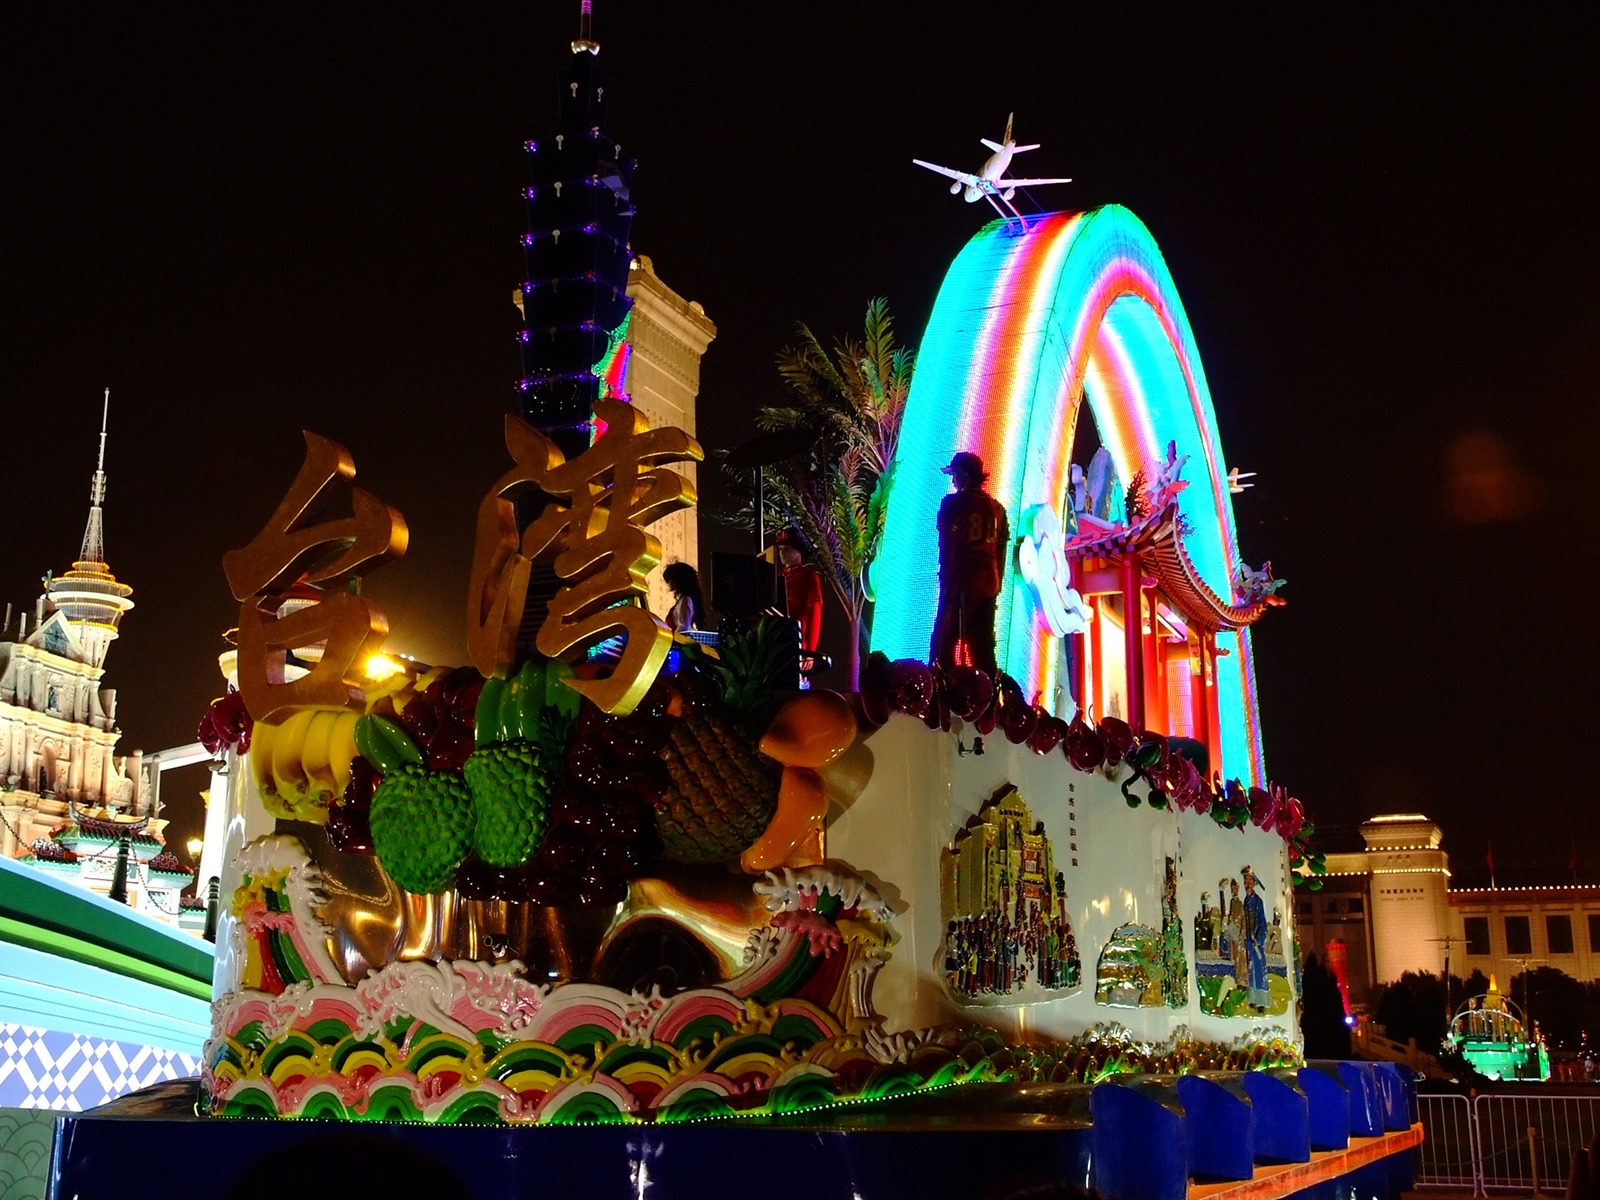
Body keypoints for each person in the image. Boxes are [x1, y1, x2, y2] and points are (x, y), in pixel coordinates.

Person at [930, 451, 1010, 673]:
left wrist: (947, 582)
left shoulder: (952, 504)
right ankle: (989, 694)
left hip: (963, 580)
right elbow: (1001, 552)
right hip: (990, 582)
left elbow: (947, 547)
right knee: (983, 646)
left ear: (964, 475)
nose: (953, 479)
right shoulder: (998, 509)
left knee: (944, 643)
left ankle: (941, 692)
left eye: (955, 474)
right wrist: (996, 586)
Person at [774, 527, 823, 653]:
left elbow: (814, 615)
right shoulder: (777, 578)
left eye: (787, 548)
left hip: (797, 643)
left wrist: (810, 650)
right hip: (776, 643)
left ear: (799, 551)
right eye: (780, 549)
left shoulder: (809, 577)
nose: (782, 553)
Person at [1242, 865, 1269, 1010]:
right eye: (1245, 881)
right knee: (1249, 969)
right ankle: (1251, 998)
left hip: (1255, 942)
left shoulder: (1257, 902)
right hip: (1247, 941)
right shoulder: (1245, 901)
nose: (1247, 884)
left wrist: (1258, 939)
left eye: (1249, 881)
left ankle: (1261, 1002)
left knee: (1259, 970)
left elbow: (1262, 923)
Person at [662, 562, 704, 633]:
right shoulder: (683, 600)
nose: (668, 583)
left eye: (670, 579)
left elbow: (683, 627)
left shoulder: (685, 600)